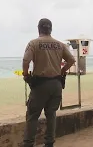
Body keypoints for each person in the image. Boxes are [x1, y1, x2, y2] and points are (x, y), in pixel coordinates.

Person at [22, 18, 76, 147]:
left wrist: (25, 75)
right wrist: (62, 70)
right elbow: (72, 60)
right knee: (51, 114)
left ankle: (29, 143)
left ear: (39, 28)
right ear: (50, 29)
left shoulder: (34, 43)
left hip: (40, 84)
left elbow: (25, 60)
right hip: (56, 84)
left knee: (32, 115)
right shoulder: (59, 44)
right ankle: (49, 143)